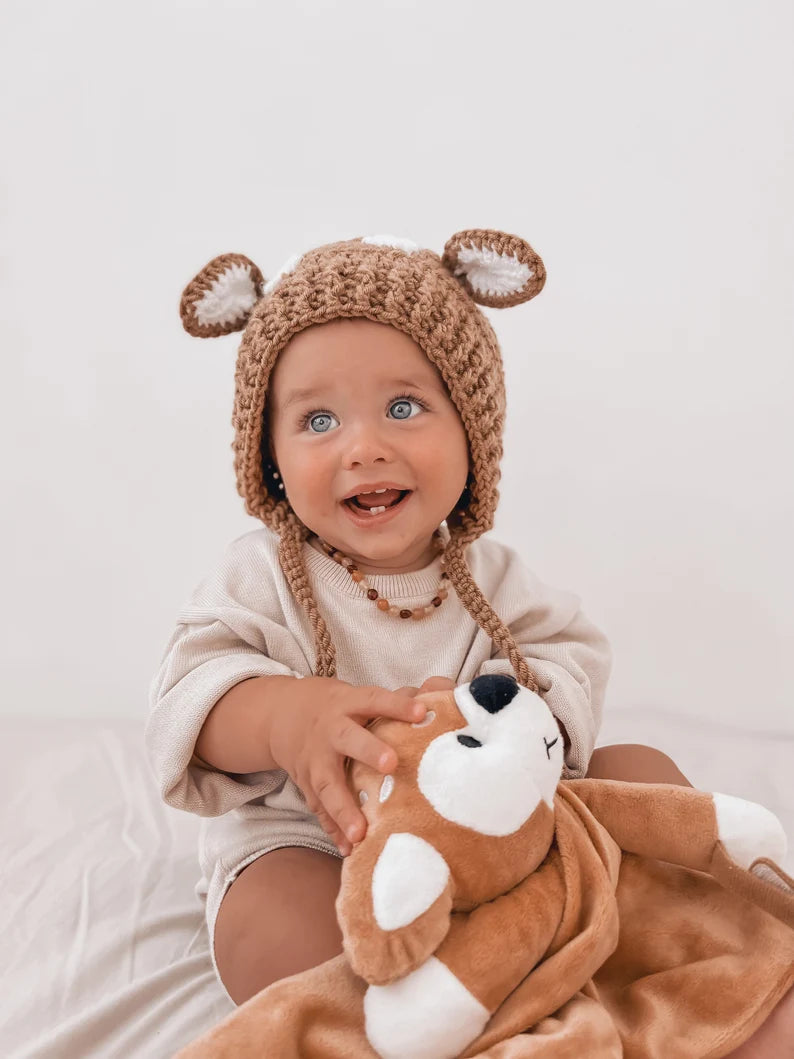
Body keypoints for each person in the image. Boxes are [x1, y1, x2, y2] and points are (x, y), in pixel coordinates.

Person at [145, 231, 791, 1054]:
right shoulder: (262, 578)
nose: (363, 445)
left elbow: (567, 657)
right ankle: (418, 1020)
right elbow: (189, 695)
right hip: (317, 841)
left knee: (646, 775)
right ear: (269, 459)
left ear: (472, 432)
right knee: (270, 921)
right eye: (317, 419)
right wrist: (282, 717)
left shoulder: (492, 577)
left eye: (404, 407)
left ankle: (704, 970)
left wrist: (520, 726)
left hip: (505, 841)